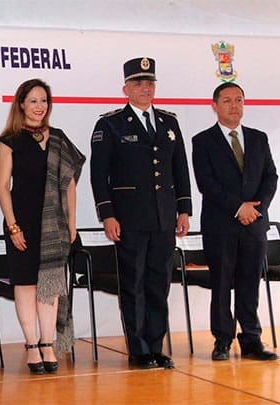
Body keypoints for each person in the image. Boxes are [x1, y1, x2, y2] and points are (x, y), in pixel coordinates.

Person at [90, 57, 192, 370]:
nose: (145, 88)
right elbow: (99, 175)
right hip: (129, 219)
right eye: (138, 83)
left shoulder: (168, 122)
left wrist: (184, 209)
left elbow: (180, 168)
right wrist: (107, 214)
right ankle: (139, 350)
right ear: (126, 89)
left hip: (163, 217)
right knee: (133, 285)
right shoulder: (110, 124)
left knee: (159, 284)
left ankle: (156, 347)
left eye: (150, 83)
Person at [0, 79, 85, 374]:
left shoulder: (59, 138)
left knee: (50, 285)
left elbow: (70, 185)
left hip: (54, 225)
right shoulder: (10, 140)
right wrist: (13, 226)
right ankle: (32, 345)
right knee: (26, 285)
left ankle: (48, 344)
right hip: (21, 222)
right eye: (33, 100)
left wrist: (71, 224)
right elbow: (3, 187)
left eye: (44, 100)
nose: (39, 106)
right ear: (21, 104)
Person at [191, 82, 279, 361]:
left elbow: (270, 177)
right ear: (214, 106)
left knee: (250, 283)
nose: (234, 106)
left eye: (239, 100)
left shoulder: (258, 138)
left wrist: (256, 208)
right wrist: (239, 207)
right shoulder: (202, 141)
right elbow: (206, 183)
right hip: (221, 224)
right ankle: (222, 341)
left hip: (254, 223)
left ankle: (251, 340)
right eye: (227, 100)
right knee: (221, 284)